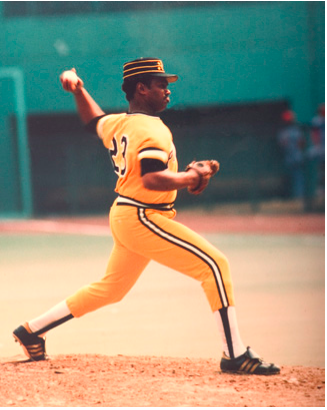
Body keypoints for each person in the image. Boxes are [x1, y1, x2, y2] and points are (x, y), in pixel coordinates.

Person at [13, 58, 280, 375]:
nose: (168, 90)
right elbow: (152, 178)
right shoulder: (150, 128)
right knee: (215, 265)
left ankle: (32, 330)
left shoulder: (122, 123)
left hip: (128, 214)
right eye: (161, 84)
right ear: (141, 88)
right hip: (143, 216)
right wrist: (190, 178)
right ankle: (235, 355)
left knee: (111, 288)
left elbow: (92, 121)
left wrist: (79, 89)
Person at [277, 110, 306, 199]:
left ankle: (298, 196)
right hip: (292, 157)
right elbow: (282, 144)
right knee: (294, 178)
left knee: (297, 178)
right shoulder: (287, 131)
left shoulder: (290, 131)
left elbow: (301, 143)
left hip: (293, 157)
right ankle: (295, 196)